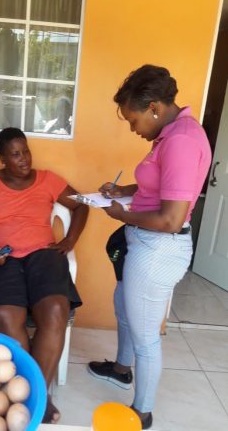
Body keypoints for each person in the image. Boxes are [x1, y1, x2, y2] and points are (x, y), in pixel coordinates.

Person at [87, 65, 212, 429]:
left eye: (133, 120)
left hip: (158, 248)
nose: (133, 128)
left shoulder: (182, 141)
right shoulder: (169, 134)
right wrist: (124, 192)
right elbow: (162, 186)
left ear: (154, 107)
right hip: (144, 243)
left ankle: (142, 412)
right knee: (123, 305)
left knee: (145, 337)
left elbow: (171, 218)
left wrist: (119, 215)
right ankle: (122, 370)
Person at [0, 127, 89, 423]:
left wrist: (69, 240)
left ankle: (37, 393)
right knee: (7, 318)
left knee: (56, 311)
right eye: (15, 154)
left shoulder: (48, 179)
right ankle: (26, 388)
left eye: (26, 151)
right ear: (2, 159)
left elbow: (82, 204)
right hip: (2, 258)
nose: (24, 160)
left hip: (44, 255)